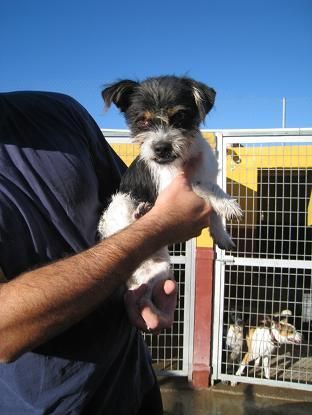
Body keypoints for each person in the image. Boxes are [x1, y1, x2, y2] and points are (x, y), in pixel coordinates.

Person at [0, 91, 211, 414]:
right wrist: (157, 228)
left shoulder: (59, 113)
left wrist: (144, 285)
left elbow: (130, 201)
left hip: (134, 382)